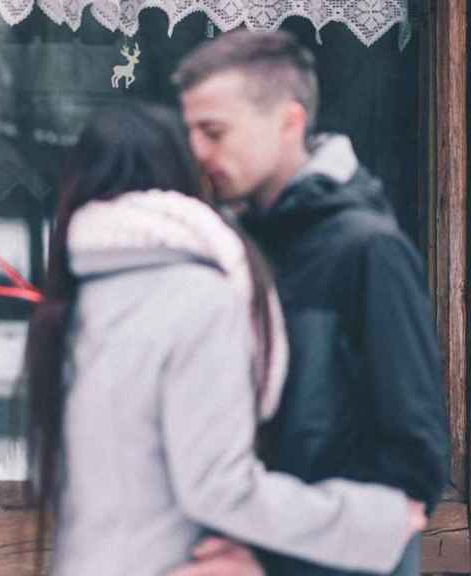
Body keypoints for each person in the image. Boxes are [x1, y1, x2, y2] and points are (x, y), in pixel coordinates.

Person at [23, 105, 426, 576]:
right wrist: (371, 520)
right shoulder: (200, 297)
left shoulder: (69, 306)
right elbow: (218, 486)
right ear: (182, 175)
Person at [173, 30, 449, 575]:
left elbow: (414, 470)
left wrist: (266, 560)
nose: (199, 152)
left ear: (289, 122)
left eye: (214, 132)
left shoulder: (369, 252)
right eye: (192, 134)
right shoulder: (233, 252)